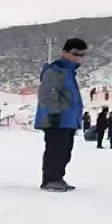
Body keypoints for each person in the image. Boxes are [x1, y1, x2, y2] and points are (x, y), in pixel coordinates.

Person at [35, 37, 87, 192]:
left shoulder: (70, 73)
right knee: (55, 150)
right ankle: (50, 180)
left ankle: (58, 177)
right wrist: (54, 114)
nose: (78, 57)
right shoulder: (54, 71)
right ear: (65, 53)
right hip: (57, 119)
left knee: (65, 151)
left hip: (69, 120)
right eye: (75, 53)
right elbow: (48, 94)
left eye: (82, 54)